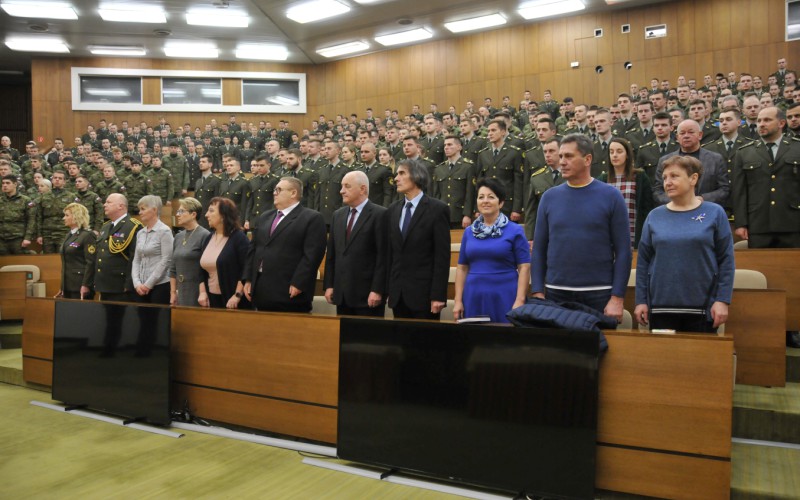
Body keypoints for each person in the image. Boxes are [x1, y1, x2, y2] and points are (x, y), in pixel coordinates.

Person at [531, 134, 631, 322]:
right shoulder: (549, 197)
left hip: (598, 294)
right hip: (556, 293)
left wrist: (617, 297)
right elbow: (539, 249)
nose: (562, 162)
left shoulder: (611, 196)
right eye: (560, 157)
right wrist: (537, 291)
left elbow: (624, 251)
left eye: (568, 156)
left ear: (587, 159)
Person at [634, 155, 734, 333]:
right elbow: (643, 262)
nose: (668, 182)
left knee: (700, 360)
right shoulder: (654, 216)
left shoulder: (715, 213)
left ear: (693, 178)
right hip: (661, 307)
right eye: (664, 178)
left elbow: (726, 260)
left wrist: (722, 300)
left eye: (674, 176)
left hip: (704, 307)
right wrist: (641, 300)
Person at [242, 177, 326, 313]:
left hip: (290, 291)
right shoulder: (265, 216)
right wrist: (248, 279)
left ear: (293, 193)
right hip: (261, 289)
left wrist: (299, 282)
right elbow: (253, 249)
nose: (274, 193)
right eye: (275, 189)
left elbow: (312, 255)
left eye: (279, 190)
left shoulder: (311, 218)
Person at [453, 179, 530, 323]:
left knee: (504, 342)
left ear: (500, 202)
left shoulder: (515, 230)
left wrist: (520, 299)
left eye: (491, 197)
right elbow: (462, 268)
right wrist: (458, 300)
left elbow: (524, 267)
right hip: (473, 295)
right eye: (481, 197)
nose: (485, 201)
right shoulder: (469, 232)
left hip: (505, 295)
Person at [386, 159, 450, 319]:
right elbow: (391, 254)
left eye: (401, 173)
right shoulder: (393, 210)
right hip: (398, 296)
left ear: (416, 176)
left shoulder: (437, 209)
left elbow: (442, 257)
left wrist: (438, 295)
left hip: (425, 296)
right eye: (396, 174)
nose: (396, 178)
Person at [323, 170, 388, 316]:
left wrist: (377, 290)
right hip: (341, 295)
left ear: (362, 189)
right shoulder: (337, 215)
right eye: (341, 186)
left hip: (367, 296)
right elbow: (332, 255)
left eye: (347, 186)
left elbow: (383, 257)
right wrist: (329, 285)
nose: (341, 191)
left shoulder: (380, 214)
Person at [652, 120, 729, 206]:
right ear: (677, 137)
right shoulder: (665, 160)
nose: (686, 136)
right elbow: (657, 191)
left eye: (691, 132)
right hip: (675, 210)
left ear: (700, 135)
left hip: (705, 209)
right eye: (682, 133)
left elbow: (724, 189)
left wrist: (702, 199)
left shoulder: (715, 159)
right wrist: (677, 201)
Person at [598, 137, 654, 247]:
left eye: (619, 151)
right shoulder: (603, 179)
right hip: (609, 236)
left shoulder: (639, 177)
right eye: (611, 152)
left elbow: (647, 209)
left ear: (627, 154)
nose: (614, 155)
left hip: (634, 234)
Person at [198, 197, 250, 309]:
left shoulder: (239, 238)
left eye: (211, 211)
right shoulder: (208, 238)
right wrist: (202, 292)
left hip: (233, 301)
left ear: (223, 216)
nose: (206, 215)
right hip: (211, 299)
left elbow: (246, 269)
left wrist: (237, 295)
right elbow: (202, 271)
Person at [95, 193, 143, 301]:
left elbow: (135, 258)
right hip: (104, 284)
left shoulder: (133, 226)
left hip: (120, 285)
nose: (104, 205)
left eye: (108, 202)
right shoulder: (106, 226)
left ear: (120, 206)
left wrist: (129, 283)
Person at [131, 195, 174, 304]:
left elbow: (166, 260)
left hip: (160, 286)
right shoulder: (140, 233)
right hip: (140, 287)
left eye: (143, 209)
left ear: (154, 210)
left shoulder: (164, 231)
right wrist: (137, 283)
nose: (139, 212)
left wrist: (148, 284)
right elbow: (136, 260)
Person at [169, 197, 210, 307]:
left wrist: (203, 292)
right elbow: (173, 268)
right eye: (177, 211)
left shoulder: (204, 235)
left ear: (193, 214)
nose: (178, 214)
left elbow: (206, 269)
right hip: (180, 290)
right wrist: (173, 292)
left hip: (197, 290)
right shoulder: (178, 236)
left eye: (181, 211)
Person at [57, 202, 96, 300]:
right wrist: (62, 286)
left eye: (66, 215)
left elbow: (91, 262)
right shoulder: (69, 235)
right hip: (68, 285)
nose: (63, 218)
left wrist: (86, 285)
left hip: (80, 285)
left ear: (76, 216)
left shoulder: (87, 235)